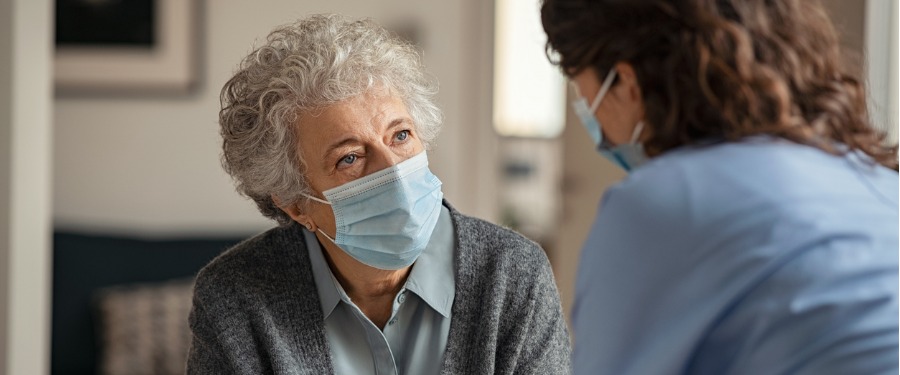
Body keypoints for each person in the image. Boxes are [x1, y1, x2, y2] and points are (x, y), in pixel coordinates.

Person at [187, 14, 571, 374]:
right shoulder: (233, 299)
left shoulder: (515, 276)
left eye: (401, 135)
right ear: (296, 204)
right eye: (350, 158)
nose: (394, 171)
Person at [540, 0, 899, 374]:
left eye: (584, 95)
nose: (590, 114)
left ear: (626, 83)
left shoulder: (664, 204)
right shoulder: (878, 181)